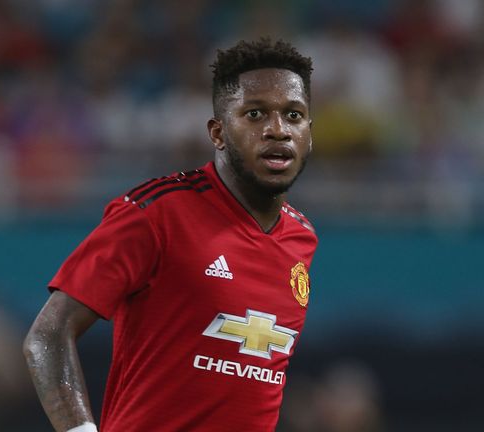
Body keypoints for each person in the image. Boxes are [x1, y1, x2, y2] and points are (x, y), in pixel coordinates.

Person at [23, 37, 318, 432]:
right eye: (255, 114)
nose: (277, 130)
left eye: (293, 115)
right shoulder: (156, 212)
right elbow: (47, 335)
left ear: (309, 134)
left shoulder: (301, 238)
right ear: (218, 133)